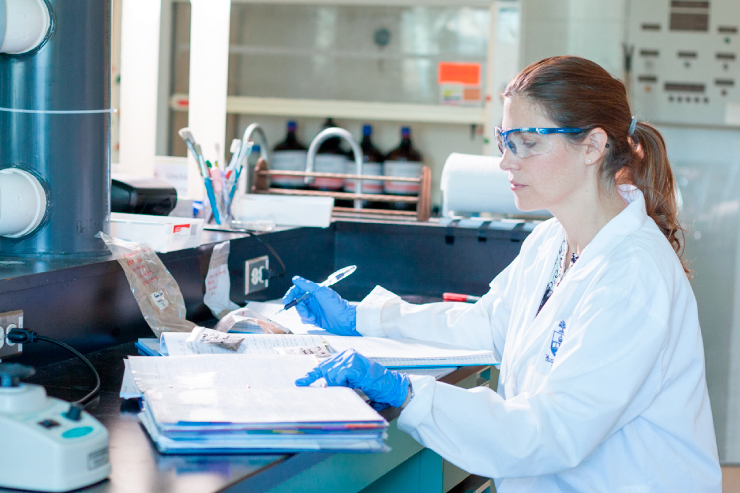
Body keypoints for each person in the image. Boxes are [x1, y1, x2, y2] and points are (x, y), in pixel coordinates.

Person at [283, 56, 722, 492]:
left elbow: (550, 433)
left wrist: (407, 394)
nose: (507, 163)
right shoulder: (553, 240)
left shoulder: (633, 276)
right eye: (505, 142)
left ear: (592, 146)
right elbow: (489, 323)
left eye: (528, 143)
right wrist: (362, 318)